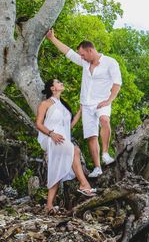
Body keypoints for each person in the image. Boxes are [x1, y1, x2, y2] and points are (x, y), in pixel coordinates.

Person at [46, 29, 122, 178]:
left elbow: (117, 84)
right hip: (86, 104)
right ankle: (98, 168)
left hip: (103, 102)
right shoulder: (85, 62)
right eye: (80, 55)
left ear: (90, 50)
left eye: (83, 54)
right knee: (91, 136)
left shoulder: (110, 62)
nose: (81, 57)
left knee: (105, 120)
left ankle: (106, 154)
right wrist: (52, 38)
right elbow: (67, 52)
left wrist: (109, 101)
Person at [36, 79, 96, 213]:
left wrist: (80, 111)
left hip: (62, 139)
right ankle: (84, 184)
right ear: (52, 88)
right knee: (75, 150)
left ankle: (49, 205)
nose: (62, 83)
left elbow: (68, 127)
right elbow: (38, 124)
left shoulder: (63, 105)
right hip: (52, 139)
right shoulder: (45, 103)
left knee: (57, 169)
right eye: (58, 82)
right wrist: (51, 134)